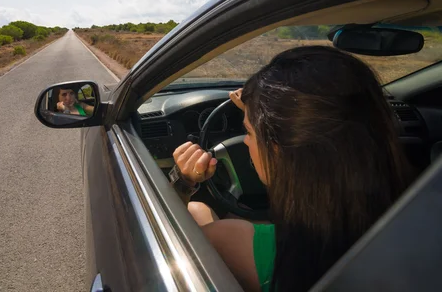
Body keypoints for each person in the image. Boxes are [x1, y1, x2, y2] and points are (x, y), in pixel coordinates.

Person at [170, 46, 413, 292]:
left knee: (194, 208)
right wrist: (263, 119)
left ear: (279, 151)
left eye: (249, 132)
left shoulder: (228, 242)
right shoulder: (416, 218)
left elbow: (171, 242)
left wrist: (184, 182)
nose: (244, 142)